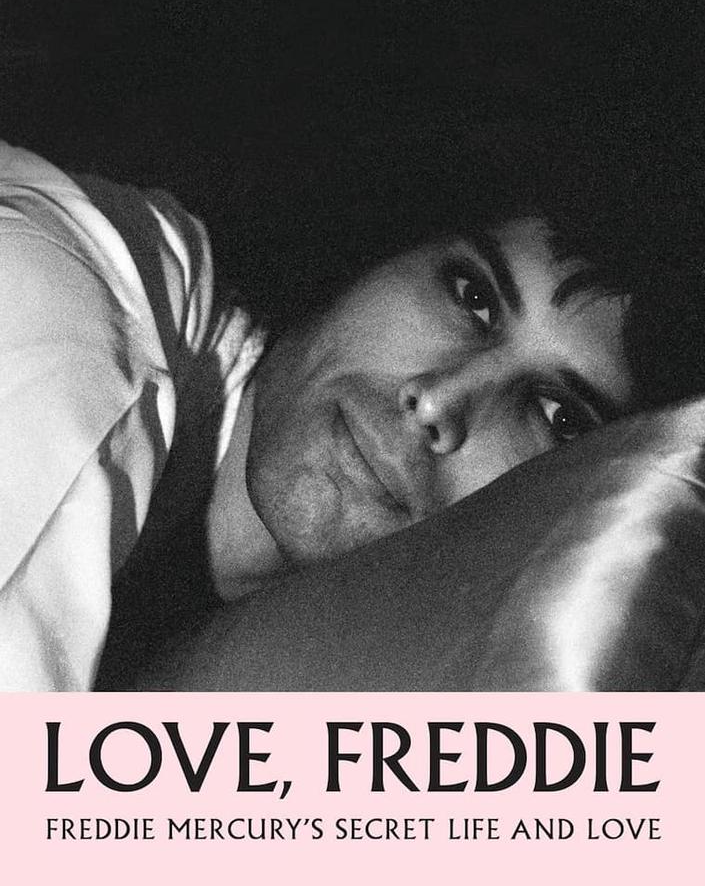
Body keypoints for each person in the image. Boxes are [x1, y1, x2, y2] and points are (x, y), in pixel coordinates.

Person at [0, 135, 702, 690]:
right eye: (471, 296)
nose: (437, 401)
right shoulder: (73, 304)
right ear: (370, 259)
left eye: (558, 417)